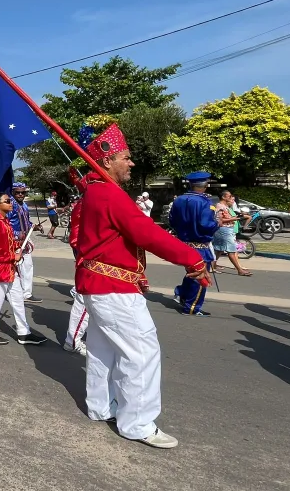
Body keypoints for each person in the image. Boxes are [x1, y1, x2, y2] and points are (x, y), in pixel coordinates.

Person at [75, 123, 210, 449]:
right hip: (113, 289)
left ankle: (100, 407)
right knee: (141, 354)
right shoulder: (108, 193)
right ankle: (137, 423)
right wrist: (192, 258)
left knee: (103, 351)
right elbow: (147, 233)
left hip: (99, 284)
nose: (131, 163)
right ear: (107, 161)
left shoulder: (93, 191)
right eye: (126, 157)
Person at [0, 192, 47, 346]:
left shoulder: (5, 222)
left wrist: (20, 247)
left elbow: (8, 244)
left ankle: (23, 333)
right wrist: (12, 256)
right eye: (7, 201)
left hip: (11, 270)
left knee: (18, 301)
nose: (11, 203)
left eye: (10, 201)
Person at [169, 172, 221, 316]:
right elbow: (206, 224)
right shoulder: (205, 201)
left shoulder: (179, 200)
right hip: (200, 245)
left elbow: (172, 221)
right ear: (205, 185)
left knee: (191, 273)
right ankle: (191, 307)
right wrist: (217, 223)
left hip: (183, 243)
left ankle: (182, 293)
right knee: (200, 277)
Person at [63, 190, 88, 356]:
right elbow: (76, 237)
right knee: (85, 301)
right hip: (91, 260)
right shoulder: (85, 204)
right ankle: (72, 341)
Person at [7, 182, 41, 304]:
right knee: (16, 268)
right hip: (15, 242)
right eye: (18, 192)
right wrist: (16, 234)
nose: (20, 195)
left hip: (25, 241)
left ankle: (26, 293)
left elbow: (27, 222)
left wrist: (34, 226)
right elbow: (5, 224)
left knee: (27, 266)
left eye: (23, 192)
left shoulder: (24, 205)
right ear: (13, 192)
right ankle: (13, 292)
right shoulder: (10, 205)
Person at [213, 190, 252, 277]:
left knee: (219, 249)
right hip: (224, 230)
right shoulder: (220, 207)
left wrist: (236, 217)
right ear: (223, 197)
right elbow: (220, 220)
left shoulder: (225, 206)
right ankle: (239, 270)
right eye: (229, 196)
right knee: (231, 250)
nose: (231, 198)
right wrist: (235, 219)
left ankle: (212, 266)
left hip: (226, 229)